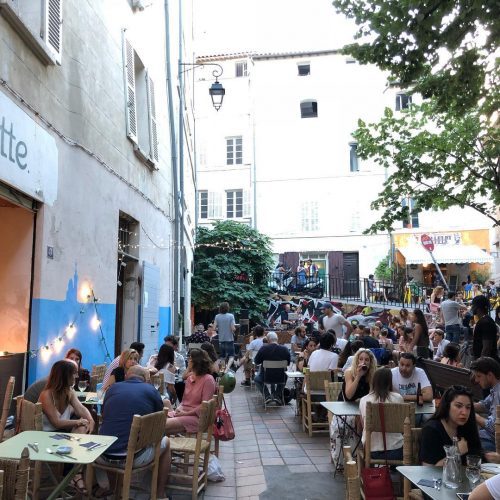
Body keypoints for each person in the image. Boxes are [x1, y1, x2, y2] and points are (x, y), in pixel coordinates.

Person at [96, 365, 171, 498]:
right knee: (166, 442)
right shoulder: (151, 390)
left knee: (115, 437)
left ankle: (114, 490)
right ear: (146, 379)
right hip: (133, 458)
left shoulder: (112, 389)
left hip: (103, 455)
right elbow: (158, 423)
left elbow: (104, 414)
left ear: (126, 377)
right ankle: (159, 493)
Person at [39, 360, 95, 495]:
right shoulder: (46, 395)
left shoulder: (68, 391)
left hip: (62, 434)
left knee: (82, 429)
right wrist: (78, 422)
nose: (76, 377)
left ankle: (73, 474)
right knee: (80, 430)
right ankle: (75, 475)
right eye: (73, 374)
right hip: (46, 437)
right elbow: (56, 423)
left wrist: (90, 419)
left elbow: (80, 407)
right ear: (64, 376)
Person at [330, 349, 375, 465]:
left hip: (362, 409)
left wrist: (369, 380)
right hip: (346, 408)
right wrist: (359, 377)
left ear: (371, 362)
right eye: (361, 359)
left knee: (368, 421)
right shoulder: (350, 372)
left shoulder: (372, 374)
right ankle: (351, 458)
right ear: (356, 360)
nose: (363, 362)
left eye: (366, 360)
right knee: (356, 421)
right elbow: (349, 395)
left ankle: (363, 456)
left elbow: (371, 397)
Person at [420, 385, 481, 465]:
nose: (464, 412)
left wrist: (487, 456)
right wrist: (455, 452)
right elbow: (428, 470)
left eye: (468, 407)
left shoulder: (468, 427)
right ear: (447, 406)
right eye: (458, 406)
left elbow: (476, 458)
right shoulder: (431, 430)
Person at [165, 349, 216, 434]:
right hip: (184, 413)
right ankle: (162, 445)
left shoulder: (208, 379)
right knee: (156, 420)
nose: (188, 360)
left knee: (161, 425)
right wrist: (179, 408)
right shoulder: (190, 378)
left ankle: (161, 445)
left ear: (196, 362)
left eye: (190, 359)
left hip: (197, 417)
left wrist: (185, 413)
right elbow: (184, 401)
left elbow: (204, 406)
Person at [359, 367, 404, 460]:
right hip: (396, 450)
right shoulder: (398, 398)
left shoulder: (364, 400)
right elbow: (402, 424)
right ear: (390, 381)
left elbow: (364, 425)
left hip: (371, 450)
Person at [471, 357, 500, 453]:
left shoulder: (498, 393)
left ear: (490, 375)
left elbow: (493, 428)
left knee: (467, 446)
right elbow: (484, 405)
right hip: (488, 436)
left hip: (494, 441)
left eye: (479, 376)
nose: (476, 380)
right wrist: (464, 405)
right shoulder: (495, 389)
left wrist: (473, 415)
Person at [254, 331, 290, 405]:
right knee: (285, 375)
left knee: (257, 379)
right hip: (281, 377)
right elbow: (288, 363)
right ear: (277, 339)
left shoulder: (263, 349)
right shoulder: (285, 349)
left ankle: (267, 396)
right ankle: (277, 395)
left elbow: (256, 362)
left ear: (268, 340)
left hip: (266, 377)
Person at [471, 295, 498, 360]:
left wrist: (480, 365)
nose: (471, 308)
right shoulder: (484, 320)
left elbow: (487, 348)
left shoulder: (486, 322)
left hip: (486, 365)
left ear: (477, 307)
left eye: (473, 305)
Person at [213, 302, 236, 370]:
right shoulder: (231, 316)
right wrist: (235, 328)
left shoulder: (217, 316)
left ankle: (222, 370)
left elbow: (214, 328)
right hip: (229, 339)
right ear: (227, 308)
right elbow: (233, 329)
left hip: (221, 339)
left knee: (222, 357)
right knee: (231, 356)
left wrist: (220, 328)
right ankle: (227, 369)